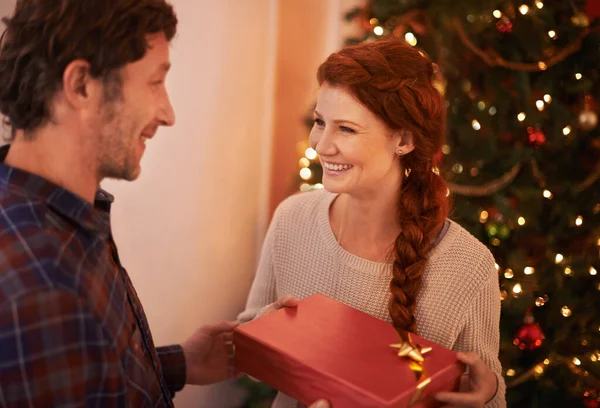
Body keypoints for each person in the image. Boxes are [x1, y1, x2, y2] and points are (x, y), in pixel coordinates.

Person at [0, 1, 332, 407]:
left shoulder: (56, 217)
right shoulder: (43, 286)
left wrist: (178, 364)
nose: (168, 113)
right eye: (155, 82)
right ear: (82, 85)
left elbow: (92, 379)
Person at [238, 39, 506, 408]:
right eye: (320, 122)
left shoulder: (468, 266)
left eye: (346, 129)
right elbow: (247, 353)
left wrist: (486, 392)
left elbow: (487, 394)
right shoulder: (292, 219)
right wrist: (267, 332)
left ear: (405, 140)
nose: (321, 144)